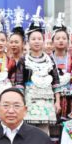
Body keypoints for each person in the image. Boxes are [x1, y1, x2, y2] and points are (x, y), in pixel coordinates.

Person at [15, 8, 61, 136]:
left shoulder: (49, 59)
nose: (36, 41)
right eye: (33, 39)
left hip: (47, 100)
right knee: (28, 131)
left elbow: (56, 82)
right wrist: (20, 102)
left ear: (43, 40)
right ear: (28, 41)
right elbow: (19, 83)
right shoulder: (23, 60)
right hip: (29, 100)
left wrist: (57, 101)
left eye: (39, 38)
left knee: (44, 132)